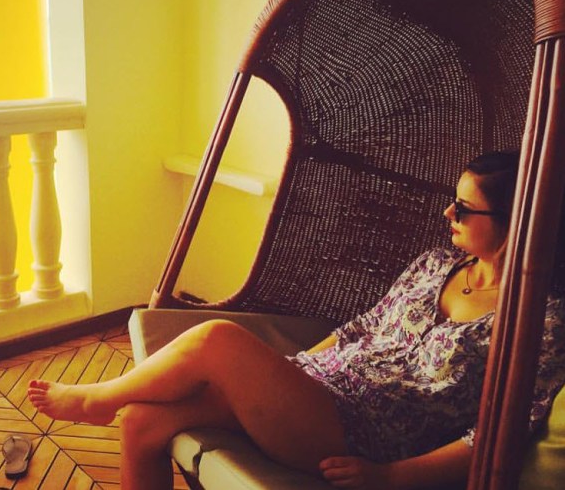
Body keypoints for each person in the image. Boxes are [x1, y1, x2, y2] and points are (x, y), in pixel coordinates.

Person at [28, 151, 565, 490]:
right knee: (142, 422)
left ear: (519, 220)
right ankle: (116, 404)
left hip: (364, 432)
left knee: (218, 337)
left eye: (465, 208)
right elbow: (361, 328)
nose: (448, 213)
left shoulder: (540, 320)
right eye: (453, 201)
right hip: (316, 392)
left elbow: (499, 434)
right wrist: (286, 374)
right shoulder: (436, 264)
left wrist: (389, 478)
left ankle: (99, 399)